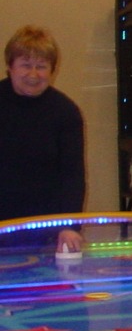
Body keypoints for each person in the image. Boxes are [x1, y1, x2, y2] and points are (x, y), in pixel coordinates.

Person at [0, 26, 85, 251]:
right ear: (10, 66)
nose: (33, 74)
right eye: (25, 65)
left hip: (46, 231)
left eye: (41, 66)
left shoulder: (66, 112)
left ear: (52, 70)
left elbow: (72, 176)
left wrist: (69, 226)